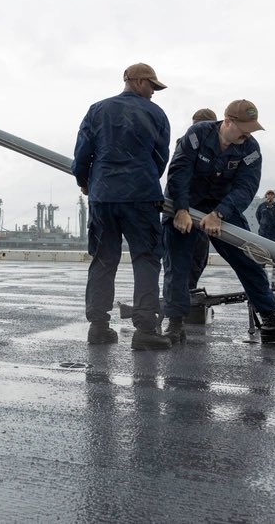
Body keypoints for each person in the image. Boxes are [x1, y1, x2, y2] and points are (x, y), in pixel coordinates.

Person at [162, 100, 275, 344]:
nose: (248, 133)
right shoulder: (198, 134)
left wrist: (220, 213)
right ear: (227, 121)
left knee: (247, 260)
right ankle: (175, 324)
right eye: (244, 127)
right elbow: (179, 171)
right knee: (178, 263)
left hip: (221, 207)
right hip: (186, 202)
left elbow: (245, 187)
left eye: (251, 128)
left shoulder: (250, 149)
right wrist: (181, 210)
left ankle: (269, 321)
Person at [72, 62, 172, 350]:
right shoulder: (156, 114)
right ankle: (144, 329)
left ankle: (99, 327)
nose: (153, 92)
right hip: (141, 196)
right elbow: (159, 159)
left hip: (103, 196)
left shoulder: (97, 110)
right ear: (136, 81)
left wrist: (85, 181)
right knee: (146, 258)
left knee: (104, 259)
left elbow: (82, 153)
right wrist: (143, 176)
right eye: (151, 85)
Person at [187, 108, 217, 289]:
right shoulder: (190, 144)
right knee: (193, 259)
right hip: (191, 211)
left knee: (195, 259)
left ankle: (185, 295)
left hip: (196, 212)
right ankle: (182, 300)